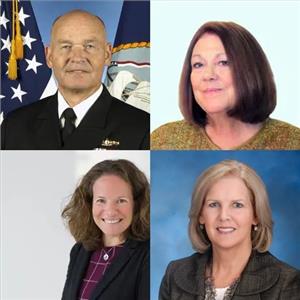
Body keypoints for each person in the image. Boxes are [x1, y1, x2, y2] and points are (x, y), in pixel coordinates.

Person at [1, 10, 149, 150]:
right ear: (49, 56)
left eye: (89, 46)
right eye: (66, 46)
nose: (77, 58)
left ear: (107, 54)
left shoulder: (142, 127)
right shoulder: (14, 125)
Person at [159, 160, 300, 300]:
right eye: (213, 204)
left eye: (237, 205)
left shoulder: (287, 282)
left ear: (256, 215)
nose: (224, 216)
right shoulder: (175, 274)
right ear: (201, 215)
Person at [151, 21, 300, 150]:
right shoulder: (163, 140)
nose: (208, 75)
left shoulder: (292, 142)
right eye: (198, 64)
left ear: (250, 70)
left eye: (223, 62)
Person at [61, 159, 149, 300]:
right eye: (101, 200)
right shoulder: (79, 251)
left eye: (121, 200)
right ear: (89, 204)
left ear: (136, 204)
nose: (110, 212)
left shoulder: (148, 255)